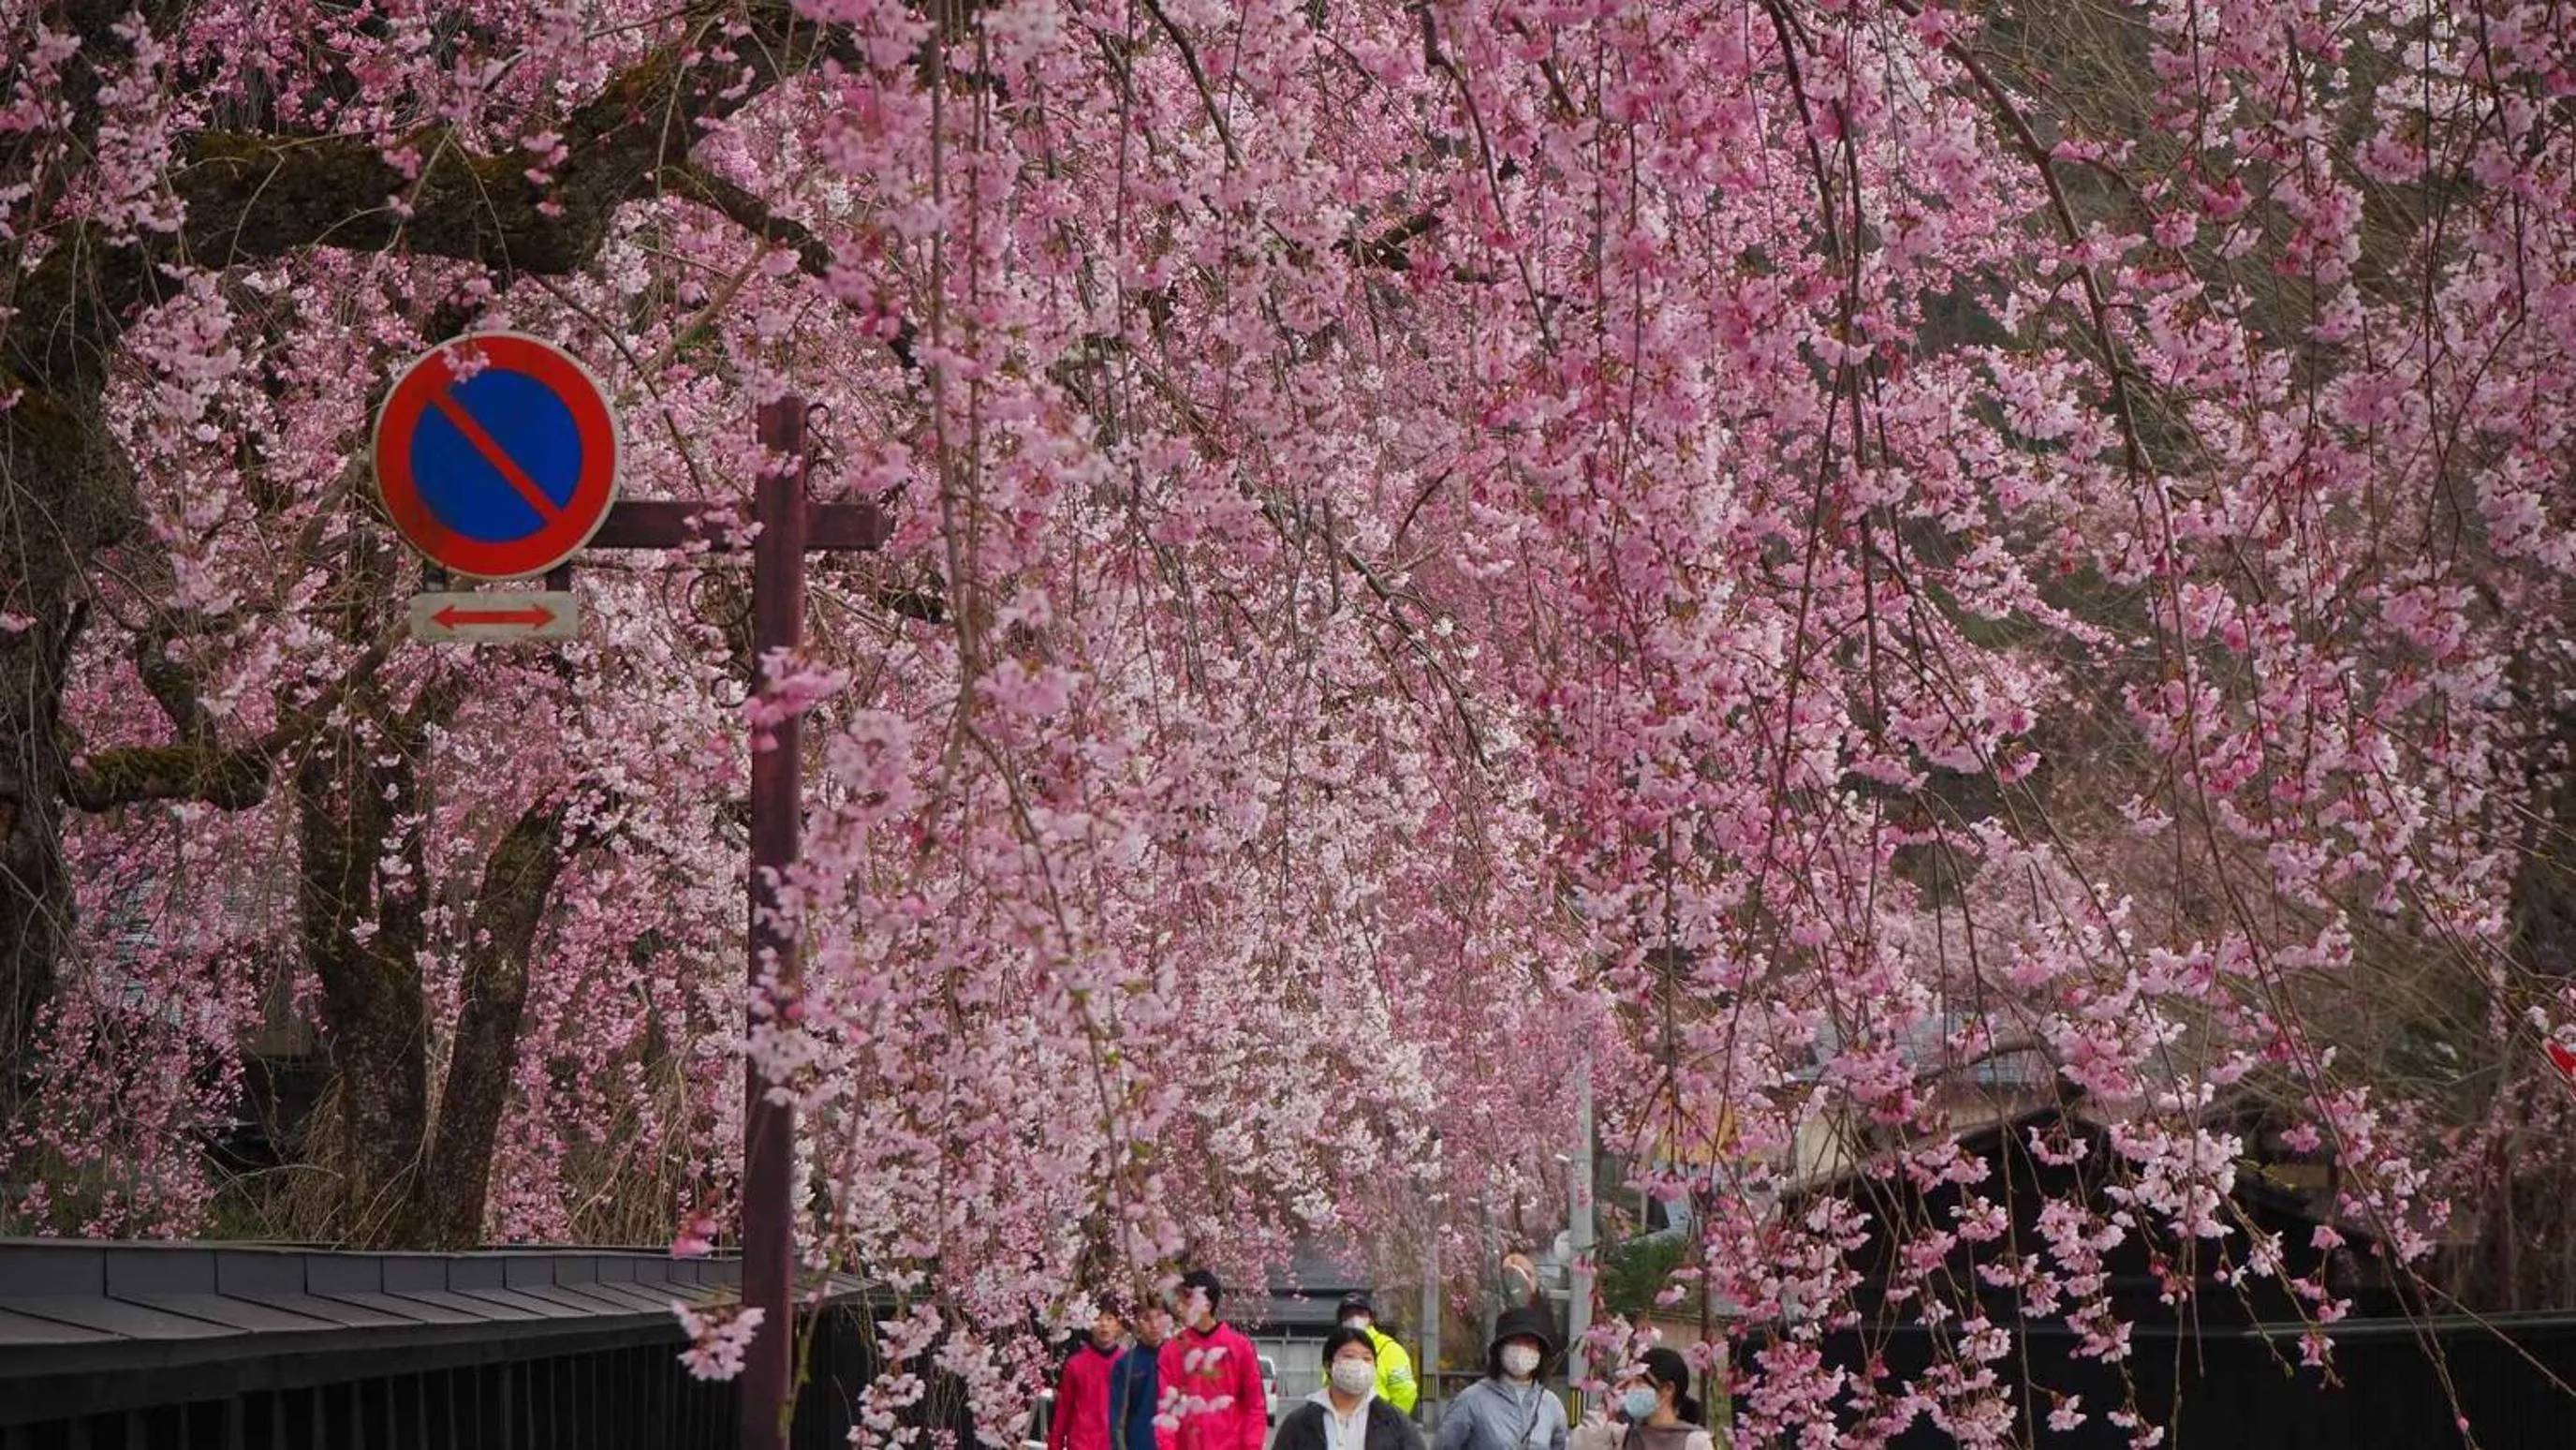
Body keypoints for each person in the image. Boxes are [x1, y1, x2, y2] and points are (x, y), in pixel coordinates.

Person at [1156, 1269, 1268, 1450]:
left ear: (1207, 1305)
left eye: (1187, 1300)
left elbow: (1255, 1405)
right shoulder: (1171, 1351)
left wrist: (1252, 1446)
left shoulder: (1240, 1348)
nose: (1180, 1307)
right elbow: (1166, 1409)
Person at [1431, 1306, 1569, 1450]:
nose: (1522, 1348)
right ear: (1500, 1349)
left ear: (1540, 1351)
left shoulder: (1551, 1405)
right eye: (1514, 1341)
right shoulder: (1471, 1401)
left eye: (1529, 1342)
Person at [1273, 1324, 1426, 1450]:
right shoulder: (1300, 1423)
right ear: (1328, 1365)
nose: (1359, 1364)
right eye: (1349, 1356)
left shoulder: (1395, 1422)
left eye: (1367, 1358)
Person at [1568, 1348, 1712, 1450]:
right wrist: (1605, 1411)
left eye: (1639, 1382)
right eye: (1628, 1382)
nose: (1630, 1389)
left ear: (1668, 1389)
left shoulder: (1695, 1442)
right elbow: (1581, 1444)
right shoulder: (1623, 1437)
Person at [1049, 1299, 1127, 1450]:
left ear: (1119, 1325)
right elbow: (1063, 1410)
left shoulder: (1128, 1364)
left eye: (1109, 1319)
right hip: (1082, 1442)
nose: (1103, 1324)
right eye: (1097, 1319)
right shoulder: (1075, 1364)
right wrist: (1055, 1445)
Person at [1334, 1294, 1420, 1414]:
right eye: (1348, 1314)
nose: (1354, 1318)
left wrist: (1391, 1420)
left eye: (1360, 1313)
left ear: (1371, 1318)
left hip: (1378, 1420)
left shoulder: (1389, 1348)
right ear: (1341, 1320)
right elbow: (1328, 1386)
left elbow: (1405, 1391)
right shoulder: (1335, 1349)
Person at [1111, 1300, 1169, 1450]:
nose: (1154, 1325)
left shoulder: (1177, 1358)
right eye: (1147, 1319)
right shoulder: (1126, 1364)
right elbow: (1116, 1418)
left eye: (1159, 1317)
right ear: (1137, 1323)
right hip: (1140, 1442)